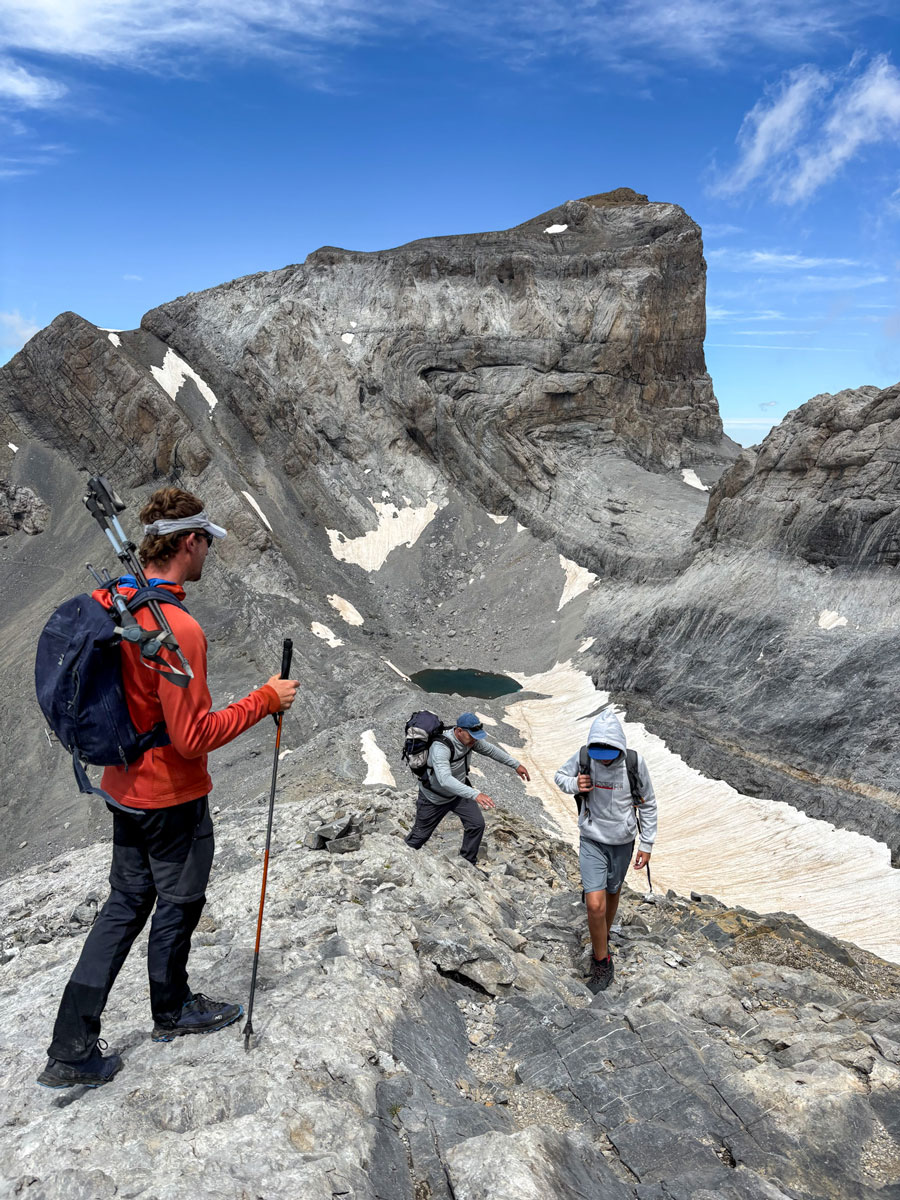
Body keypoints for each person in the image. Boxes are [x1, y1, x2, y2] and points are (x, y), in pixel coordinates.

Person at [38, 487, 299, 1089]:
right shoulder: (175, 627)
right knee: (179, 900)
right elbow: (191, 737)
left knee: (125, 904)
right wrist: (265, 701)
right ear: (189, 541)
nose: (210, 551)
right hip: (171, 798)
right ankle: (173, 1008)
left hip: (122, 787)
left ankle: (71, 1047)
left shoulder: (113, 602)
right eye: (207, 540)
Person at [554, 709, 656, 994]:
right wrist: (575, 783)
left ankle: (602, 939)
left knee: (613, 892)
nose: (603, 756)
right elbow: (560, 776)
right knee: (595, 904)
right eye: (599, 749)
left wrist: (646, 844)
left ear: (619, 746)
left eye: (608, 750)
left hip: (622, 842)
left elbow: (648, 804)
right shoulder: (585, 756)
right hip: (592, 840)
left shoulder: (634, 764)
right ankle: (602, 961)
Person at [405, 712, 530, 865]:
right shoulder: (441, 748)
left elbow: (491, 751)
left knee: (476, 824)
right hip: (434, 798)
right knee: (419, 837)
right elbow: (445, 780)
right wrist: (475, 794)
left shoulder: (470, 740)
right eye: (471, 735)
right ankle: (402, 859)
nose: (475, 740)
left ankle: (467, 864)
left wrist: (516, 765)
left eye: (476, 736)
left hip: (459, 793)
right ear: (459, 731)